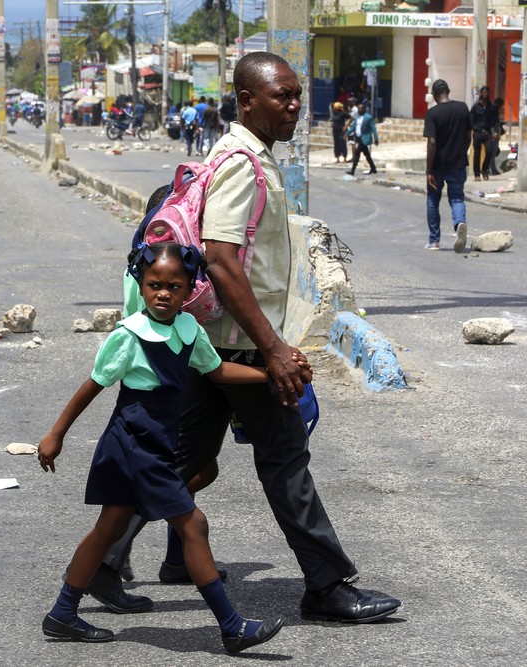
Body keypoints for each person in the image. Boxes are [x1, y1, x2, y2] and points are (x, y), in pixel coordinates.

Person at [88, 52, 403, 626]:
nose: (293, 106)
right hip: (238, 343)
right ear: (246, 101)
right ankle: (327, 586)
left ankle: (104, 562)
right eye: (281, 96)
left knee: (180, 458)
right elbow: (222, 260)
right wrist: (276, 348)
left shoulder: (252, 158)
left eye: (296, 95)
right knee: (284, 460)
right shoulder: (241, 163)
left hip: (214, 340)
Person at [39, 241, 289, 654]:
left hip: (154, 443)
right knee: (193, 525)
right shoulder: (129, 336)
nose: (162, 293)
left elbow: (217, 369)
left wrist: (269, 374)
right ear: (140, 284)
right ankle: (232, 627)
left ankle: (62, 613)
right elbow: (94, 384)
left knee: (108, 529)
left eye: (174, 286)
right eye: (154, 284)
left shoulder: (189, 330)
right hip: (133, 444)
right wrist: (57, 433)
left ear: (190, 288)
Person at [423, 79, 471, 253]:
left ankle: (434, 241)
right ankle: (459, 223)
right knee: (457, 197)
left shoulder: (432, 113)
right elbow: (468, 136)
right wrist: (461, 152)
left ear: (434, 95)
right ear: (448, 91)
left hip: (437, 166)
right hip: (458, 163)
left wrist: (428, 170)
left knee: (432, 200)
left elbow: (432, 143)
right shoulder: (463, 108)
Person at [469, 86, 497, 181]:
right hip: (477, 133)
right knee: (477, 154)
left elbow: (494, 121)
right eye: (483, 92)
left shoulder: (492, 106)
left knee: (489, 151)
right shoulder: (475, 106)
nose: (485, 94)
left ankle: (484, 169)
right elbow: (470, 120)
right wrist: (473, 130)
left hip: (488, 133)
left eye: (487, 92)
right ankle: (477, 174)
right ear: (480, 94)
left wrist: (494, 132)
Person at [346, 101, 378, 176]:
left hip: (365, 138)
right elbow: (354, 127)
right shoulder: (357, 117)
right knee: (367, 154)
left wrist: (376, 138)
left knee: (357, 153)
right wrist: (347, 133)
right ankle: (373, 168)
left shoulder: (368, 117)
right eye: (358, 109)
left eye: (361, 110)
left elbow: (373, 129)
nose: (359, 111)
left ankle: (352, 170)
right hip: (358, 138)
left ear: (364, 110)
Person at [489, 97, 505, 176]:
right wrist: (494, 133)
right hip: (493, 135)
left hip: (493, 134)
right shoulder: (494, 110)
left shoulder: (491, 109)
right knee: (493, 153)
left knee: (492, 153)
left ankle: (489, 169)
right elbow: (493, 123)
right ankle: (493, 170)